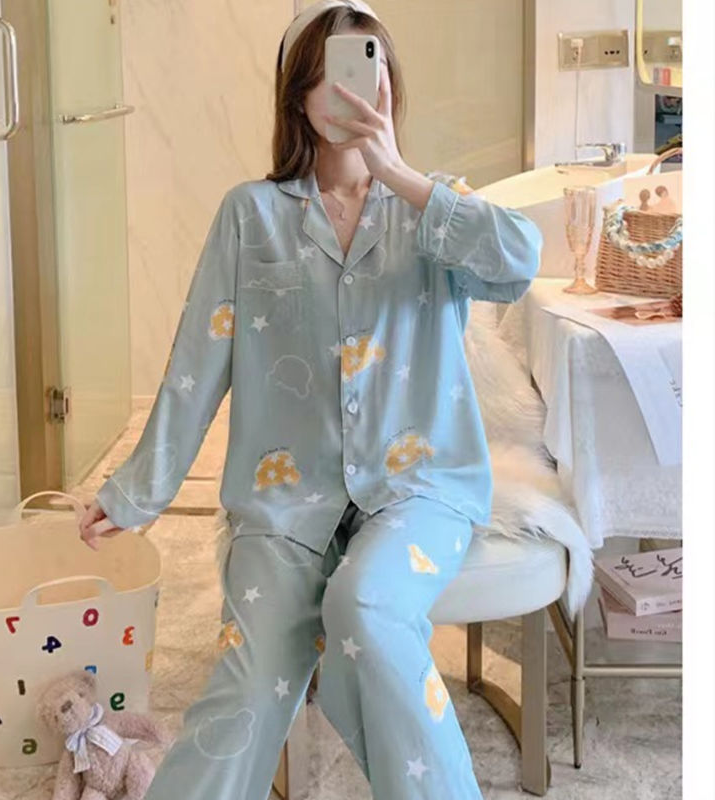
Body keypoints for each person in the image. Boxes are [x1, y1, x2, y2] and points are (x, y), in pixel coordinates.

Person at [79, 1, 543, 797]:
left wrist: (399, 175)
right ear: (299, 95)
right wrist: (138, 491)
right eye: (329, 74)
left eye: (367, 68)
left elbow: (519, 262)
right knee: (248, 684)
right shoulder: (250, 216)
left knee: (367, 607)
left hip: (418, 490)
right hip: (285, 501)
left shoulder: (433, 209)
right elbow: (197, 364)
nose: (351, 90)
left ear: (390, 85)